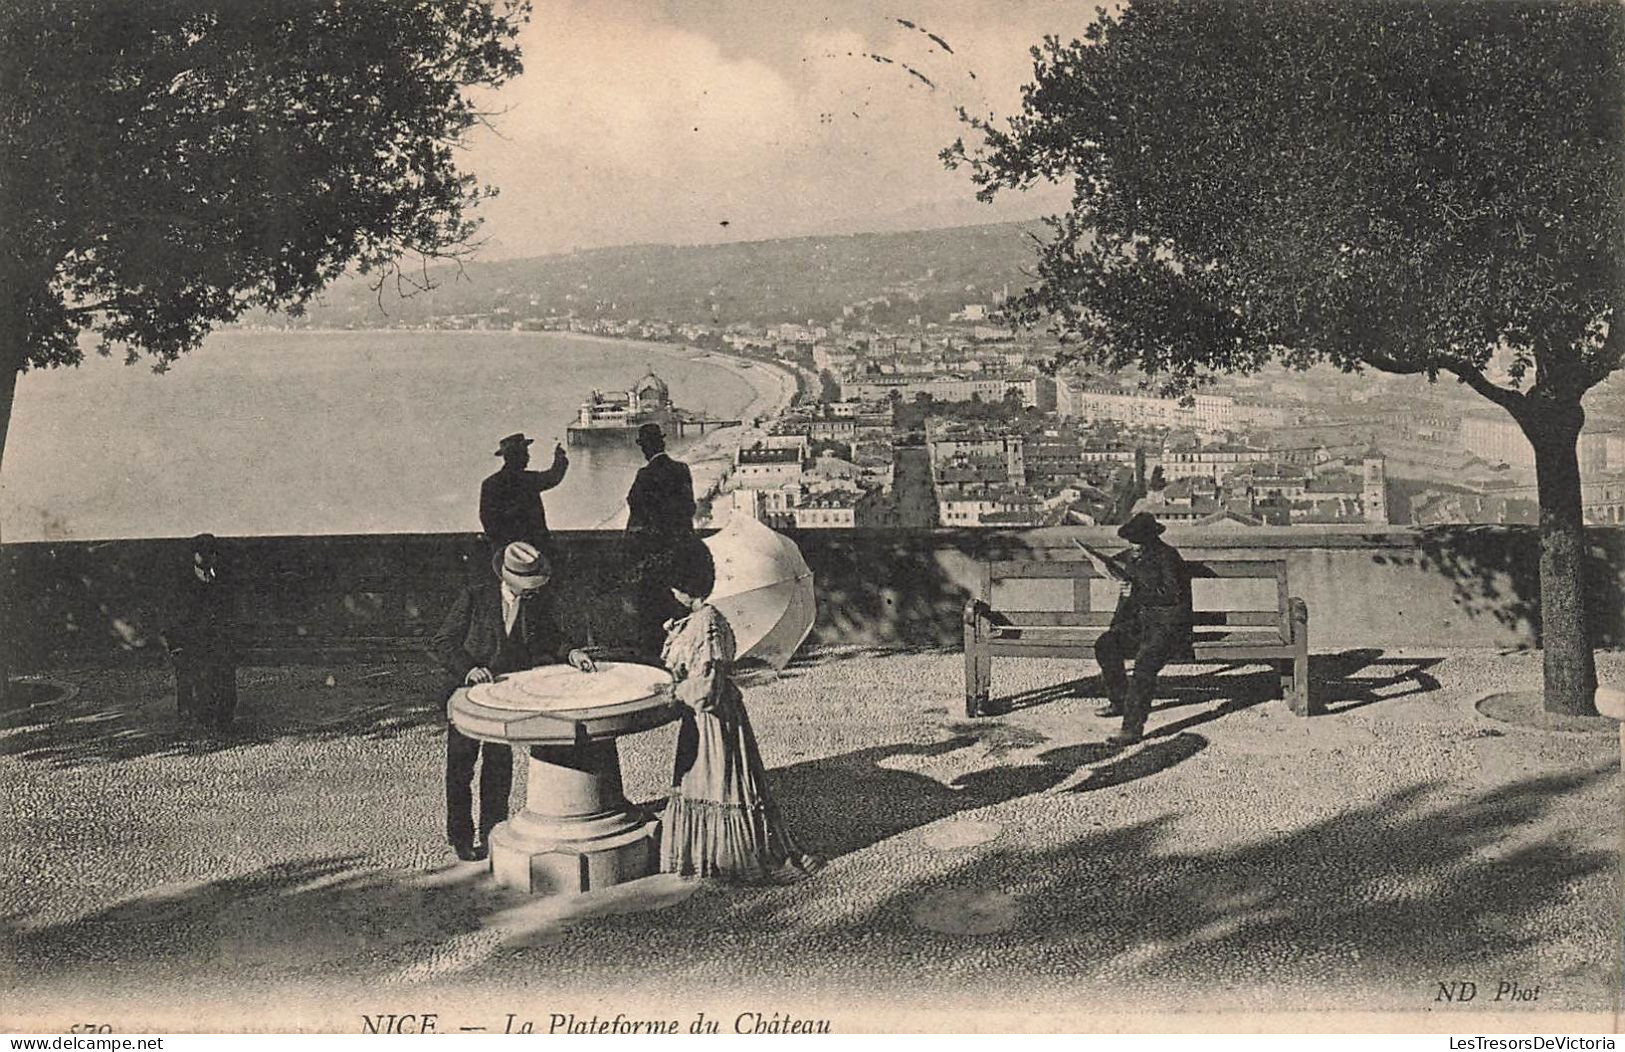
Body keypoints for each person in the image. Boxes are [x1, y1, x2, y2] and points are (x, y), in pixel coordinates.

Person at [658, 537, 823, 884]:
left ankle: (732, 857)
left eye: (674, 587)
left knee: (718, 780)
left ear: (684, 587)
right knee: (708, 782)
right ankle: (711, 854)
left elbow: (707, 688)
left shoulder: (707, 624)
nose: (671, 594)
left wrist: (673, 692)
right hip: (708, 717)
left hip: (713, 720)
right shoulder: (701, 619)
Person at [430, 541, 596, 862]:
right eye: (525, 584)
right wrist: (469, 669)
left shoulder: (533, 603)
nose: (530, 590)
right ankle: (461, 838)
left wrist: (572, 653)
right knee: (461, 768)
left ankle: (494, 833)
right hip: (468, 697)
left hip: (506, 699)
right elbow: (443, 642)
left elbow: (550, 637)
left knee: (499, 766)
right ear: (507, 577)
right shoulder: (475, 597)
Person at [1079, 512, 1193, 746]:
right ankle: (1119, 701)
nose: (1133, 546)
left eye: (1137, 542)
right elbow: (1117, 567)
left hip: (1168, 627)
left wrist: (1137, 592)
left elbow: (1174, 595)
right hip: (1142, 625)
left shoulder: (1168, 557)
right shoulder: (1133, 557)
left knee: (1143, 665)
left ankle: (1131, 728)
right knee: (1106, 644)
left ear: (1151, 539)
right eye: (1131, 541)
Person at [625, 422, 696, 659]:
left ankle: (657, 657)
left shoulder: (645, 476)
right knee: (682, 608)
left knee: (654, 610)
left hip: (655, 553)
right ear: (663, 443)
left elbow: (635, 507)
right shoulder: (682, 469)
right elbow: (689, 507)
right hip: (683, 550)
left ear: (646, 448)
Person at [161, 533, 238, 730]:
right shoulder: (181, 584)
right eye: (202, 553)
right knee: (192, 685)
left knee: (223, 682)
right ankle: (191, 725)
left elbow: (229, 611)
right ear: (194, 555)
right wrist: (175, 646)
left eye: (212, 553)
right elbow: (172, 616)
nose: (208, 557)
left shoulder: (222, 580)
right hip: (190, 645)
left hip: (218, 644)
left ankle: (223, 723)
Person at [480, 432, 569, 555]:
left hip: (505, 551)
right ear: (516, 456)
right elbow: (553, 477)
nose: (528, 457)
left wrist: (503, 544)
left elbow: (487, 520)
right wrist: (560, 459)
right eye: (525, 453)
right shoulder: (528, 480)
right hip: (535, 548)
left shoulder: (489, 484)